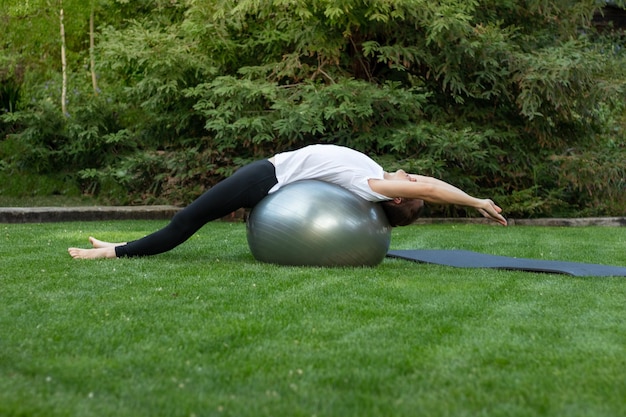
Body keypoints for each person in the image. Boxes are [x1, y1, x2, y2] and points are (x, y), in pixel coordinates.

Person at [68, 144, 507, 260]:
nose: (413, 175)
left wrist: (474, 201)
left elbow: (427, 189)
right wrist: (474, 197)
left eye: (408, 182)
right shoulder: (377, 178)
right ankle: (118, 246)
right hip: (271, 178)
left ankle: (112, 252)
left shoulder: (372, 184)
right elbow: (429, 182)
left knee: (188, 218)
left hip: (266, 178)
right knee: (189, 218)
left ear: (396, 196)